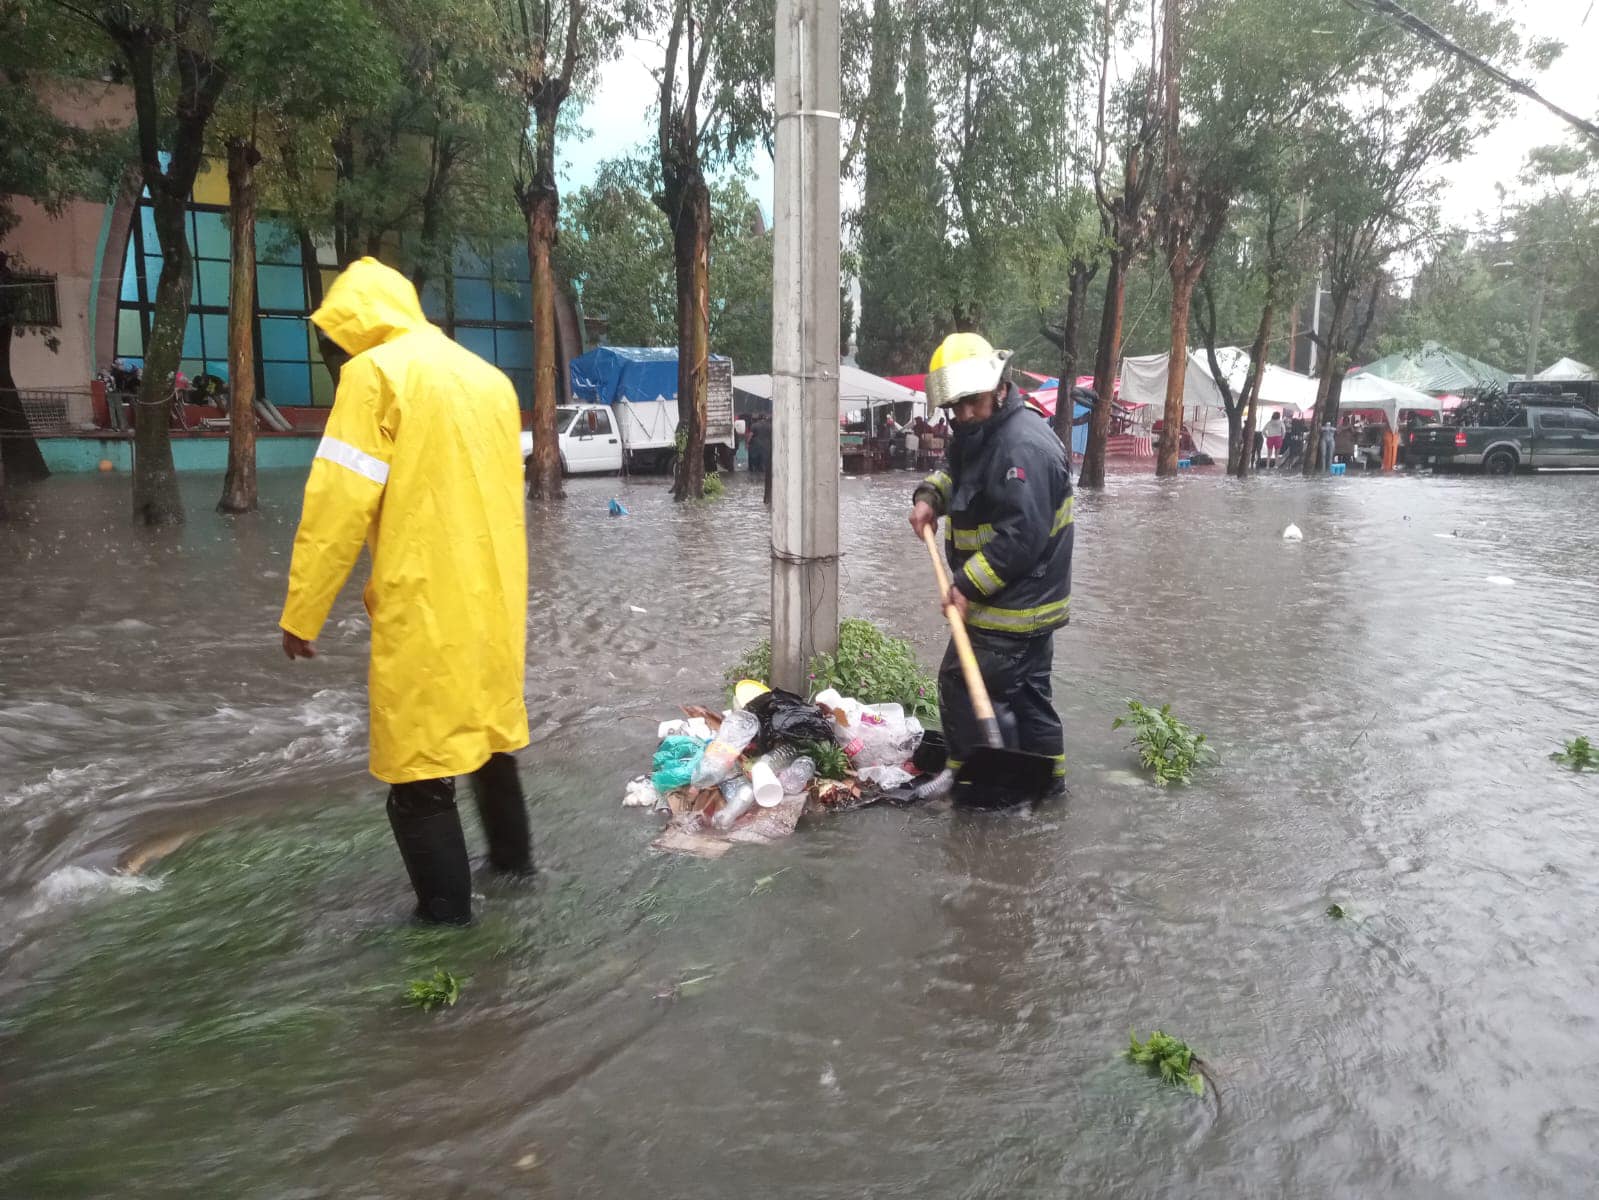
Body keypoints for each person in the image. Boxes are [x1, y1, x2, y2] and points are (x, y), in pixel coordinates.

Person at [278, 258, 532, 926]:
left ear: (352, 327)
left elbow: (337, 501)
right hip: (495, 603)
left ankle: (445, 928)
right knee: (485, 739)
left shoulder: (375, 375)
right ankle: (516, 871)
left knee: (417, 772)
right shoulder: (490, 381)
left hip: (425, 603)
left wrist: (303, 611)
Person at [908, 332, 1073, 798]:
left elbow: (1020, 540)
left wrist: (965, 587)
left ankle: (975, 788)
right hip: (1026, 604)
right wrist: (929, 499)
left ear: (999, 387)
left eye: (971, 403)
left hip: (1015, 606)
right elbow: (956, 475)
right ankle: (1048, 787)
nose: (961, 415)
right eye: (954, 407)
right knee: (1028, 697)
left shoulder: (1023, 448)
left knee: (962, 685)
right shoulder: (982, 432)